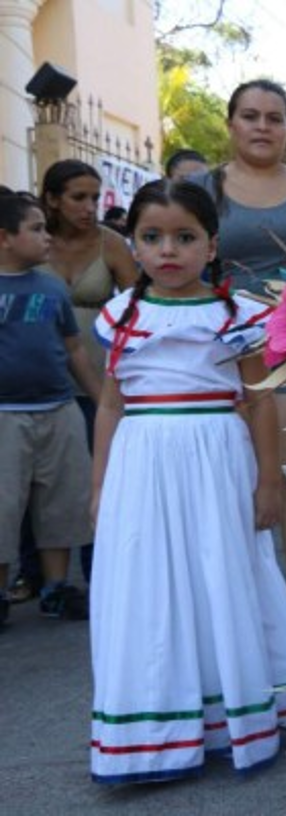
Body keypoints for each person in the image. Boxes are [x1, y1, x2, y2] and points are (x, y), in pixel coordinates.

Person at [88, 179, 286, 783]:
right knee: (152, 579)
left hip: (218, 455)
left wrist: (269, 481)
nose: (169, 250)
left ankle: (235, 709)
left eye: (184, 237)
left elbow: (262, 402)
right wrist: (98, 486)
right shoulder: (120, 318)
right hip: (141, 463)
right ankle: (159, 727)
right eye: (152, 237)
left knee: (223, 568)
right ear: (132, 245)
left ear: (211, 244)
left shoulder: (235, 315)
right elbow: (111, 406)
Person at [189, 79, 286, 654]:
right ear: (230, 124)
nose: (261, 126)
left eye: (274, 118)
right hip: (218, 356)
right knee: (230, 492)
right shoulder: (201, 188)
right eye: (250, 116)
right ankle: (236, 627)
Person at [0, 192, 99, 626]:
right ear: (5, 237)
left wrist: (98, 397)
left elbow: (73, 347)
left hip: (59, 408)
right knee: (3, 504)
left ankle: (57, 587)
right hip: (5, 414)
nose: (46, 237)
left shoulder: (51, 286)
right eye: (36, 229)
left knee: (62, 501)